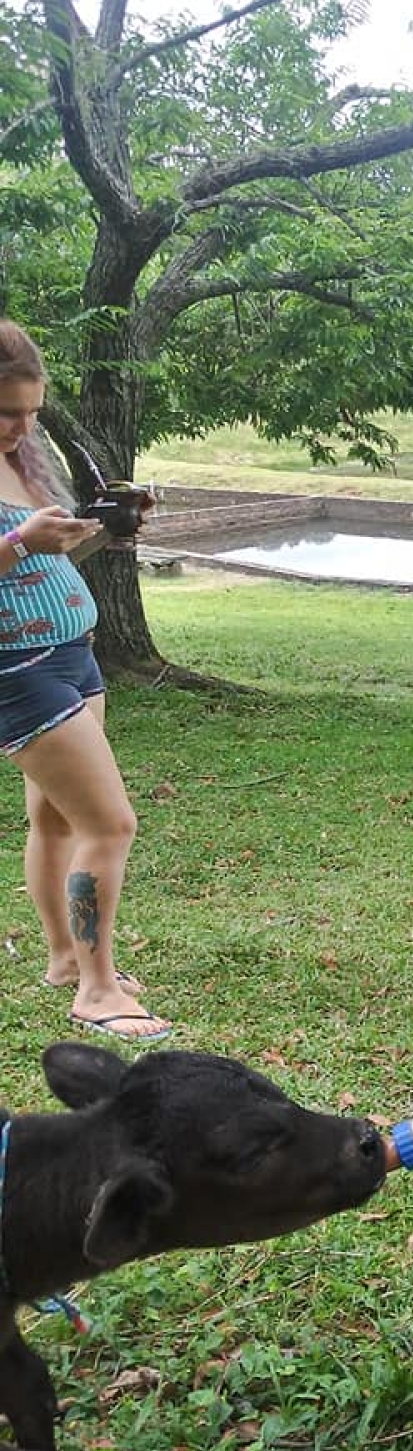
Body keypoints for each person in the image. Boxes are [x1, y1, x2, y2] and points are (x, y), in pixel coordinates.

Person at [0, 320, 171, 1042]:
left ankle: (68, 960)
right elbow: (18, 552)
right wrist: (16, 541)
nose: (21, 426)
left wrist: (107, 530)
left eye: (32, 412)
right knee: (110, 823)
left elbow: (46, 558)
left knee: (57, 819)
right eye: (7, 411)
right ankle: (99, 992)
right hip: (18, 673)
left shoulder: (24, 462)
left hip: (74, 655)